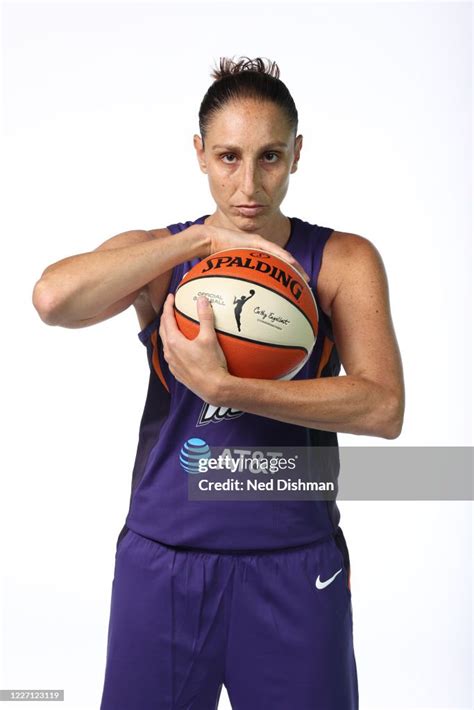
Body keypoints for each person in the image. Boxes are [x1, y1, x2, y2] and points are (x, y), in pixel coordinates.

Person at [32, 56, 404, 710]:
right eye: (229, 157)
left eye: (270, 157)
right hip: (164, 562)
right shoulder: (158, 254)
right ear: (200, 154)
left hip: (294, 564)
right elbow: (52, 299)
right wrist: (195, 243)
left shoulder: (342, 260)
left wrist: (232, 389)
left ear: (297, 155)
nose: (249, 185)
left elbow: (384, 407)